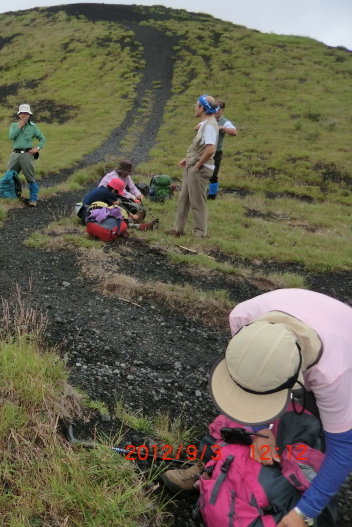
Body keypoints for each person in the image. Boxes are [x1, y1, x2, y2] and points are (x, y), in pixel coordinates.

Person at [166, 289, 352, 527]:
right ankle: (214, 464)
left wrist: (306, 512)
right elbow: (252, 382)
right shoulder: (243, 317)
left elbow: (343, 449)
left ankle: (312, 509)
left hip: (341, 361)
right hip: (307, 342)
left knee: (317, 436)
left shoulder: (335, 376)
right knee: (245, 398)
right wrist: (260, 430)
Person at [167, 95, 219, 238]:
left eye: (196, 105)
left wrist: (198, 164)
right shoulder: (206, 123)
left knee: (197, 201)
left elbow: (210, 150)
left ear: (202, 108)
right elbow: (201, 147)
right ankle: (178, 228)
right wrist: (188, 159)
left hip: (199, 169)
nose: (194, 108)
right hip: (193, 165)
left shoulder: (210, 126)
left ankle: (200, 233)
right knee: (183, 198)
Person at [195, 100, 237, 200]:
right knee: (198, 170)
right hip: (203, 149)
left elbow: (234, 132)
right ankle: (198, 191)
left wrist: (221, 128)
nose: (216, 111)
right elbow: (196, 127)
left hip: (216, 152)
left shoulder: (225, 122)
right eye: (215, 108)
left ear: (222, 110)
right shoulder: (209, 119)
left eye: (219, 109)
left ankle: (212, 195)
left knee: (213, 173)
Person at [79, 178, 156, 230]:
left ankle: (133, 221)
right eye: (117, 192)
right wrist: (133, 215)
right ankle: (141, 227)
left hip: (86, 214)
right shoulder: (108, 194)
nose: (117, 194)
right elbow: (119, 205)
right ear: (113, 190)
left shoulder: (101, 189)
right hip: (89, 218)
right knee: (115, 221)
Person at [7, 104, 46, 207]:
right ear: (19, 115)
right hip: (15, 154)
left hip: (27, 155)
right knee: (10, 175)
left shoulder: (33, 127)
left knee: (30, 177)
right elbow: (11, 136)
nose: (25, 115)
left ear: (30, 115)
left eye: (27, 114)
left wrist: (37, 148)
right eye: (23, 113)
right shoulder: (14, 125)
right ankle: (9, 197)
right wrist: (19, 126)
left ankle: (33, 199)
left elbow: (42, 138)